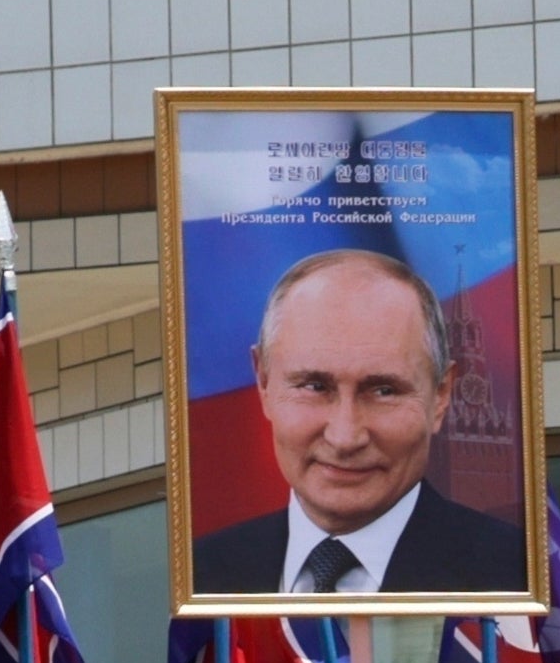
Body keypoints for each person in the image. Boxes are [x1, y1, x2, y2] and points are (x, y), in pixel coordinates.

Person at [188, 246, 532, 600]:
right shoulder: (201, 578)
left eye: (383, 391)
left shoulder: (522, 577)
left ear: (440, 395)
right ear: (263, 382)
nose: (345, 437)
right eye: (314, 387)